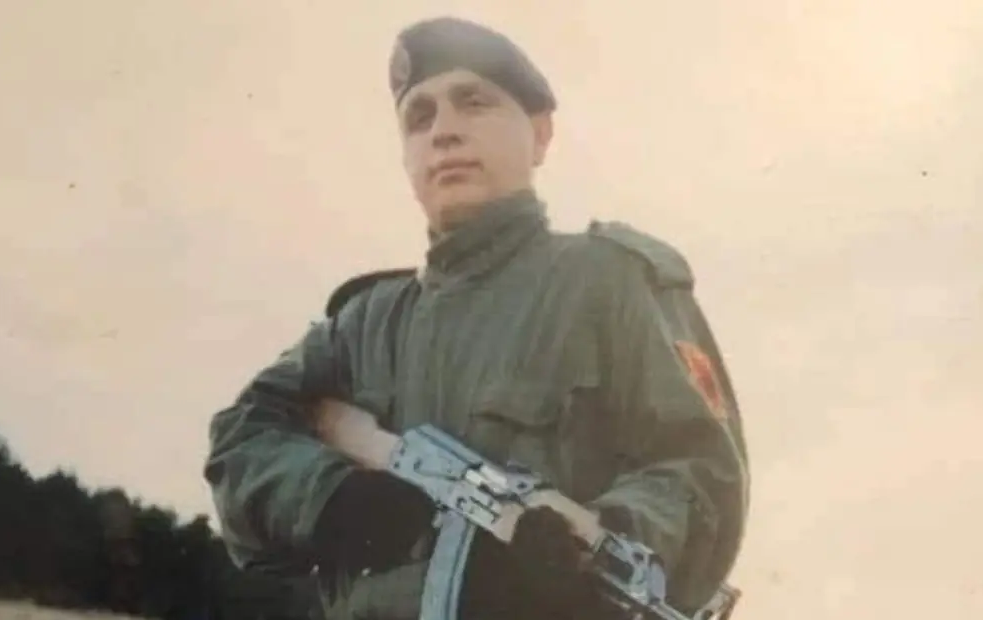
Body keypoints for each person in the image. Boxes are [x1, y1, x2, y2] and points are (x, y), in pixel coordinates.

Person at [203, 15, 749, 620]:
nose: (444, 132)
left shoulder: (610, 281)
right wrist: (332, 496)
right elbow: (240, 437)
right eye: (420, 118)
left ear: (540, 134)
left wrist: (592, 539)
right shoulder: (363, 325)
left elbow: (702, 473)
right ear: (406, 157)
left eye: (474, 103)